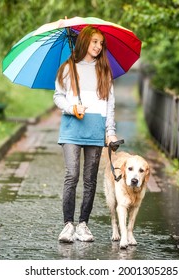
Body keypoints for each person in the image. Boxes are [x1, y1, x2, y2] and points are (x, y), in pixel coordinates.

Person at [53, 25, 118, 243]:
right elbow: (58, 96)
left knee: (90, 180)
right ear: (84, 42)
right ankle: (68, 225)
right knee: (72, 175)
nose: (98, 46)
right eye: (94, 42)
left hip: (95, 131)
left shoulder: (104, 71)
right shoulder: (67, 68)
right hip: (71, 130)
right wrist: (72, 108)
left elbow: (109, 105)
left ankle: (83, 224)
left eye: (101, 43)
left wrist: (110, 132)